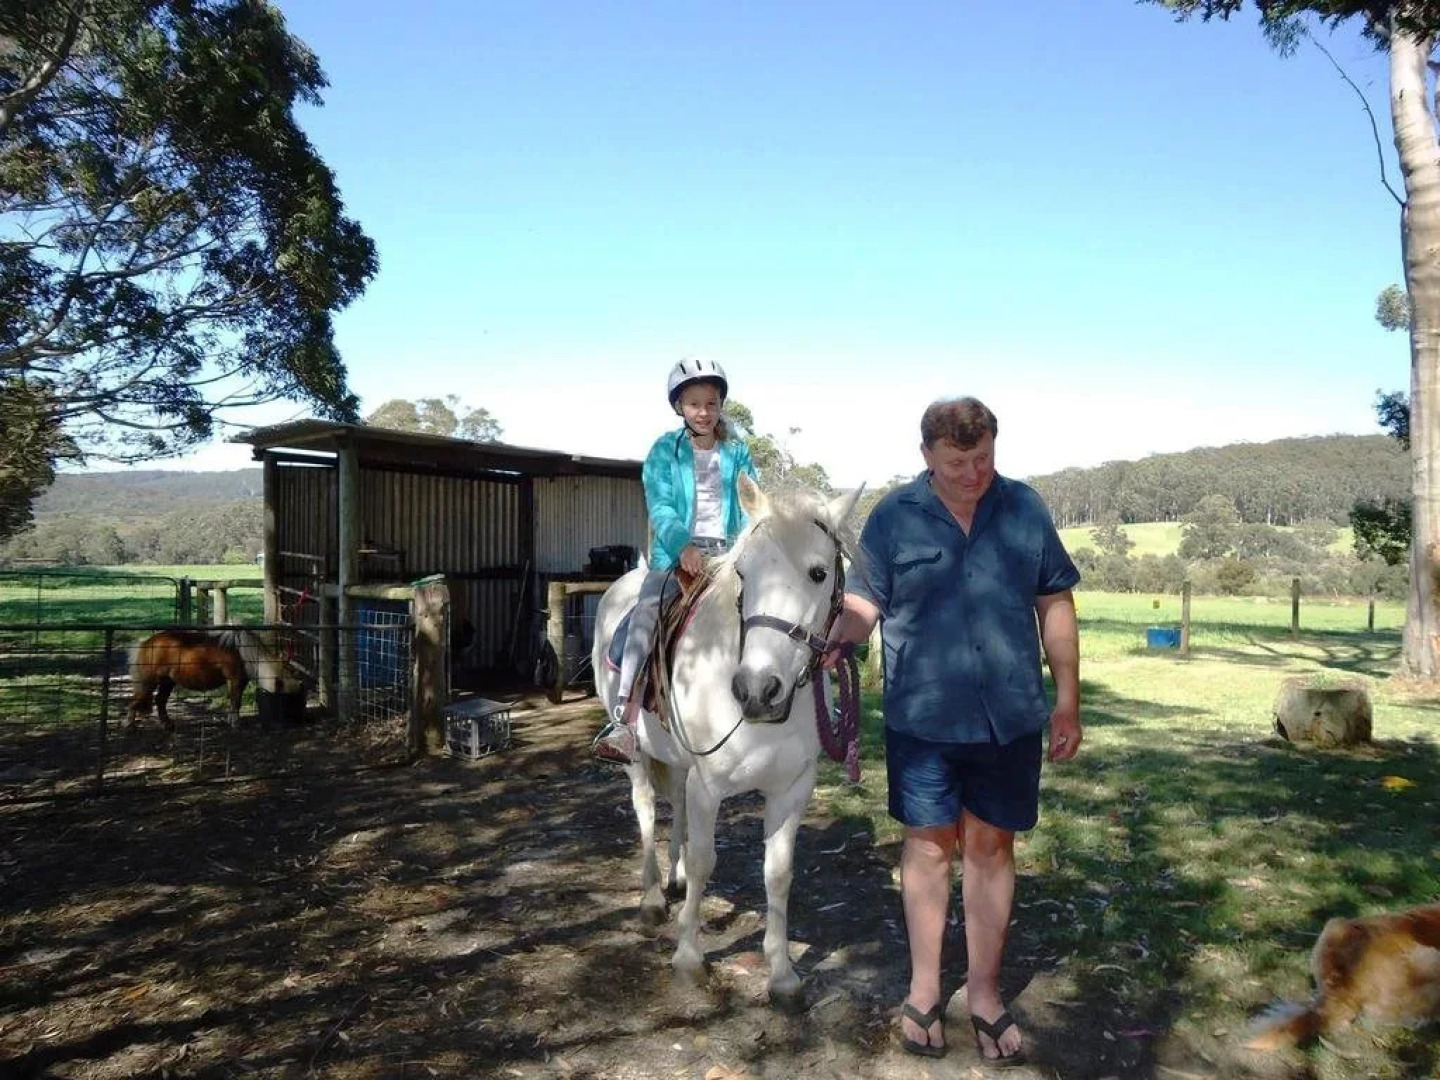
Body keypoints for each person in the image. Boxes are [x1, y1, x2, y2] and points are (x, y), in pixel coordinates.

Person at [824, 396, 1081, 1065]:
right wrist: (837, 640)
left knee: (991, 849)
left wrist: (1068, 699)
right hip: (923, 719)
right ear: (926, 456)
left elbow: (1054, 601)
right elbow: (864, 602)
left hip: (1009, 717)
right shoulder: (893, 517)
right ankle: (925, 989)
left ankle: (986, 994)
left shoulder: (1024, 508)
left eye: (983, 458)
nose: (973, 474)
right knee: (929, 849)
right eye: (956, 463)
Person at [591, 357, 758, 764]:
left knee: (774, 610)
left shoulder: (737, 452)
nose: (704, 412)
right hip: (676, 555)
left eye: (711, 403)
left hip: (729, 554)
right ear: (679, 407)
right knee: (647, 612)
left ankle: (803, 702)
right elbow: (661, 506)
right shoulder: (665, 450)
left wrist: (748, 544)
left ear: (720, 405)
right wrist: (684, 546)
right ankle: (624, 719)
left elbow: (752, 501)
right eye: (695, 403)